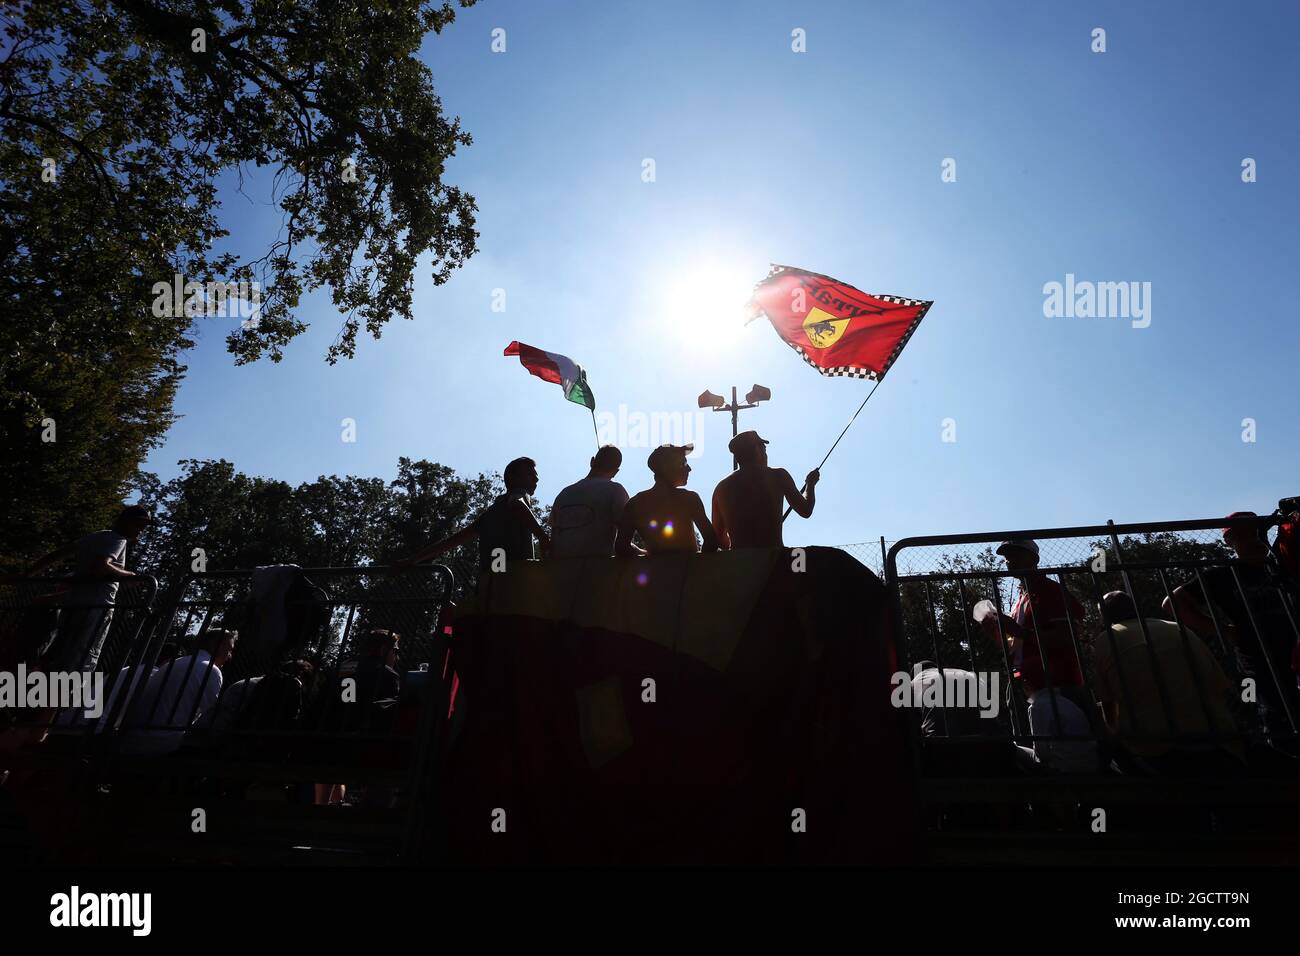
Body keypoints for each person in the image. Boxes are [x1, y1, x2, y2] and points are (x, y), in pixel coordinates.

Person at [1170, 511, 1300, 740]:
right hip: (1257, 658)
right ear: (1230, 541)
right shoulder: (1223, 575)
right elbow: (1173, 603)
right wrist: (1224, 631)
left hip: (1294, 650)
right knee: (1271, 714)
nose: (1251, 539)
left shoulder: (1284, 564)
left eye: (1254, 532)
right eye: (1242, 535)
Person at [976, 539, 1097, 772]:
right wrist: (998, 634)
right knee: (1031, 748)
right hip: (1025, 684)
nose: (1008, 560)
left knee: (1062, 754)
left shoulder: (1051, 591)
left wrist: (1016, 629)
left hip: (1057, 686)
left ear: (1035, 559)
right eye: (1006, 556)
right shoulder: (1021, 598)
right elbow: (1014, 646)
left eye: (1016, 554)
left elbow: (1066, 636)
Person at [1092, 591, 1243, 774]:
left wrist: (1115, 734)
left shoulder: (1105, 641)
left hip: (1155, 744)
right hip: (1213, 731)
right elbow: (1219, 684)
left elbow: (1108, 704)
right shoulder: (1177, 627)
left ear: (1104, 617)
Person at [26, 504, 154, 673]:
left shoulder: (97, 536)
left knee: (60, 654)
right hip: (97, 608)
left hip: (73, 604)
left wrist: (28, 574)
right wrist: (128, 575)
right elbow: (101, 566)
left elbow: (59, 554)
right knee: (84, 658)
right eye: (138, 525)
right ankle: (66, 696)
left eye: (143, 527)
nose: (141, 530)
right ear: (125, 522)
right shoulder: (118, 540)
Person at [399, 457, 549, 574]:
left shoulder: (492, 513)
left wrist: (413, 560)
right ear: (512, 477)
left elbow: (453, 541)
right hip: (515, 579)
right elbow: (517, 504)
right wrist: (543, 538)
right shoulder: (520, 494)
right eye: (530, 474)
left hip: (492, 582)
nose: (536, 479)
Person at [119, 629, 238, 756]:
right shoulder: (211, 670)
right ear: (217, 646)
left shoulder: (177, 662)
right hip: (164, 744)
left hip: (134, 737)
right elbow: (210, 718)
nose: (230, 656)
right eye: (229, 649)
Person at [711, 431, 819, 549]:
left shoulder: (721, 488)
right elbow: (805, 510)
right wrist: (810, 484)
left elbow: (717, 537)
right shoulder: (778, 475)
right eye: (764, 449)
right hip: (774, 559)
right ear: (758, 451)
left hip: (739, 563)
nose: (766, 455)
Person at [616, 444, 719, 556]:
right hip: (689, 571)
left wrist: (646, 554)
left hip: (656, 572)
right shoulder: (689, 499)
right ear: (667, 468)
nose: (689, 468)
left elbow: (621, 547)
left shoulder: (634, 504)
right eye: (683, 463)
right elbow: (711, 541)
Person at [550, 445, 634, 558]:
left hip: (560, 569)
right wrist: (644, 552)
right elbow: (624, 541)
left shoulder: (564, 493)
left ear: (592, 461)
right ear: (616, 472)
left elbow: (554, 537)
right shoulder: (616, 490)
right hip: (597, 570)